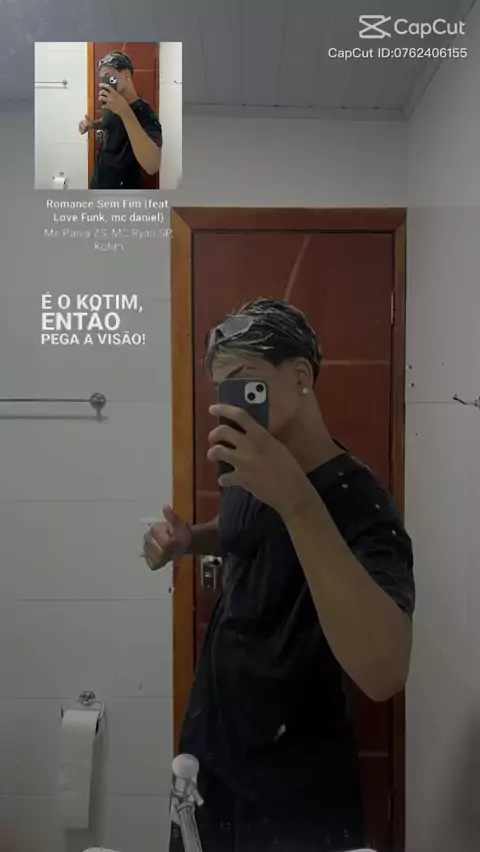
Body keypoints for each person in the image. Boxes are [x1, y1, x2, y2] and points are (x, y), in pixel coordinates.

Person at [143, 297, 415, 852]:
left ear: (300, 376)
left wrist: (296, 498)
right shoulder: (249, 467)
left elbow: (385, 671)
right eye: (224, 388)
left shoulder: (359, 501)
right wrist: (192, 539)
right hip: (212, 747)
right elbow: (245, 530)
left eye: (247, 381)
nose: (234, 401)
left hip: (295, 777)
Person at [78, 50, 162, 189]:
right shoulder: (112, 101)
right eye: (102, 79)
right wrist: (93, 125)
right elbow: (111, 122)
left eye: (108, 76)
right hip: (99, 181)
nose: (105, 83)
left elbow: (152, 166)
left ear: (127, 75)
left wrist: (124, 111)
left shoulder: (145, 113)